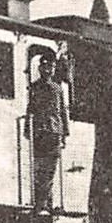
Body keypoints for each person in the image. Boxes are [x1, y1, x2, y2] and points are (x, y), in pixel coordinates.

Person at [27, 52, 70, 211]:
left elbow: (63, 111)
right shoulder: (34, 87)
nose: (49, 71)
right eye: (46, 67)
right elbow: (30, 108)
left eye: (51, 67)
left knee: (50, 169)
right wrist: (27, 129)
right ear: (40, 68)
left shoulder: (58, 89)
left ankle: (47, 202)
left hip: (54, 132)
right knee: (40, 168)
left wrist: (65, 133)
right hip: (40, 131)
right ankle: (42, 202)